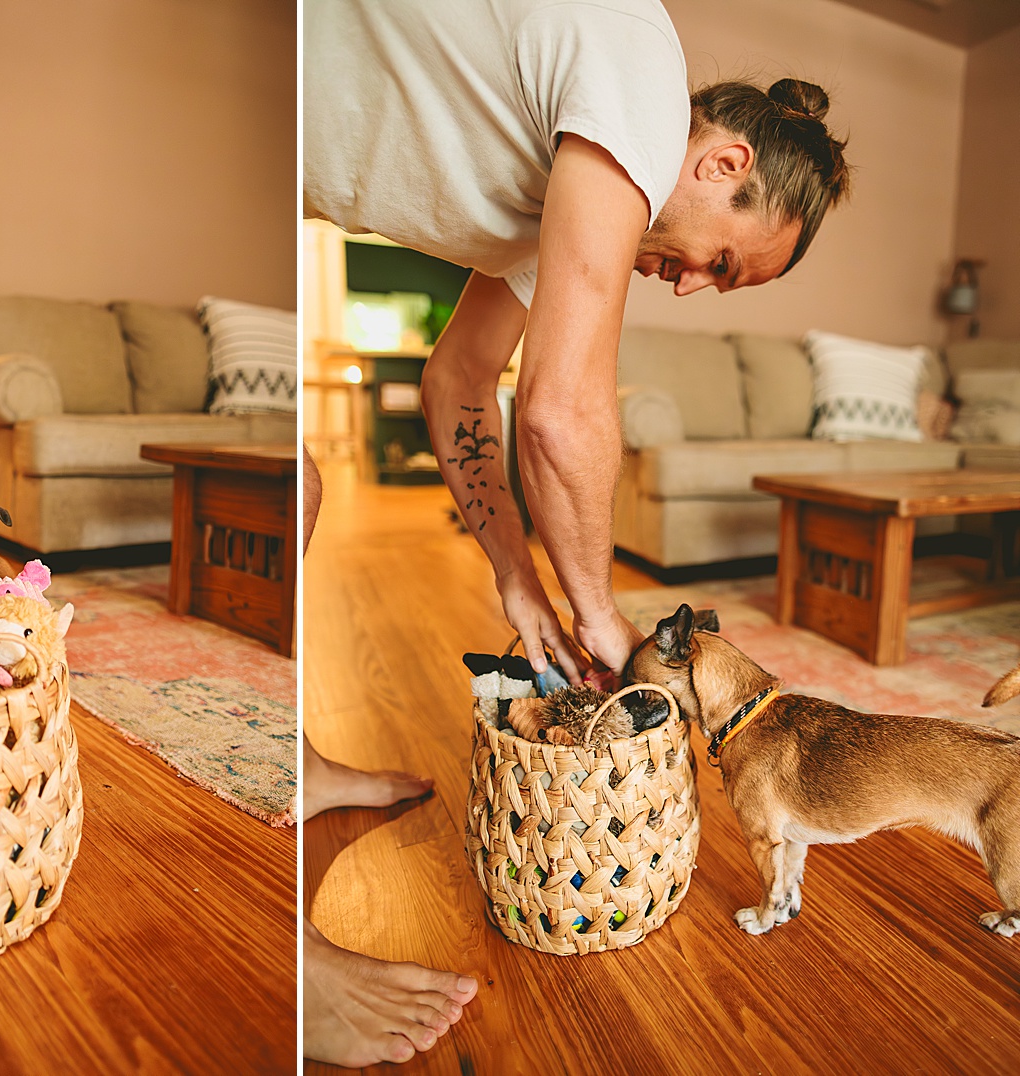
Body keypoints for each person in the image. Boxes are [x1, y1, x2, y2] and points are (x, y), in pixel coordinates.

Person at [303, 0, 851, 1067]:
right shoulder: (640, 85)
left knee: (296, 485)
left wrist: (517, 576)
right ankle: (293, 970)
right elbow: (557, 404)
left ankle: (302, 761)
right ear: (720, 161)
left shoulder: (573, 187)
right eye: (724, 263)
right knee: (297, 485)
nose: (690, 286)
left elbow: (460, 379)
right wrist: (596, 608)